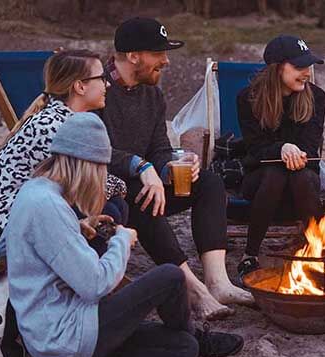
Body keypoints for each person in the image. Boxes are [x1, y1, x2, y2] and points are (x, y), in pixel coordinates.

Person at [3, 112, 244, 357]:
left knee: (183, 348)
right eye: (100, 169)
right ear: (86, 164)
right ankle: (197, 336)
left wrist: (80, 228)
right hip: (66, 334)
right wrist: (121, 240)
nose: (101, 177)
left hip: (53, 337)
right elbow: (94, 285)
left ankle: (187, 340)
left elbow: (46, 250)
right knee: (170, 276)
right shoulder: (48, 207)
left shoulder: (36, 191)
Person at [96, 17, 252, 319]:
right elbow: (93, 148)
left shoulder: (152, 93)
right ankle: (193, 290)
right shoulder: (96, 88)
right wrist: (141, 167)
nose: (166, 61)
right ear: (133, 56)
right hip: (107, 189)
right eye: (159, 54)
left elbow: (159, 147)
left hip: (147, 180)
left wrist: (173, 163)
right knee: (143, 197)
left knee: (208, 182)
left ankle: (217, 281)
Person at [0, 49, 128, 262]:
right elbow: (88, 187)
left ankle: (87, 273)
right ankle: (85, 276)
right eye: (102, 78)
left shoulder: (59, 118)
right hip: (7, 234)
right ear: (80, 86)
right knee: (109, 208)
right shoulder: (54, 127)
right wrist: (126, 183)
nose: (108, 84)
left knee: (112, 208)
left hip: (27, 219)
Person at [235, 35, 325, 279]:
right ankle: (250, 255)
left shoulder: (317, 97)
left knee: (301, 176)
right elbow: (255, 148)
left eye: (308, 66)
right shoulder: (248, 99)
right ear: (277, 68)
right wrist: (281, 148)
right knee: (276, 173)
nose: (307, 72)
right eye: (299, 67)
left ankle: (315, 253)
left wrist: (294, 152)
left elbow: (310, 145)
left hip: (302, 178)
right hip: (260, 180)